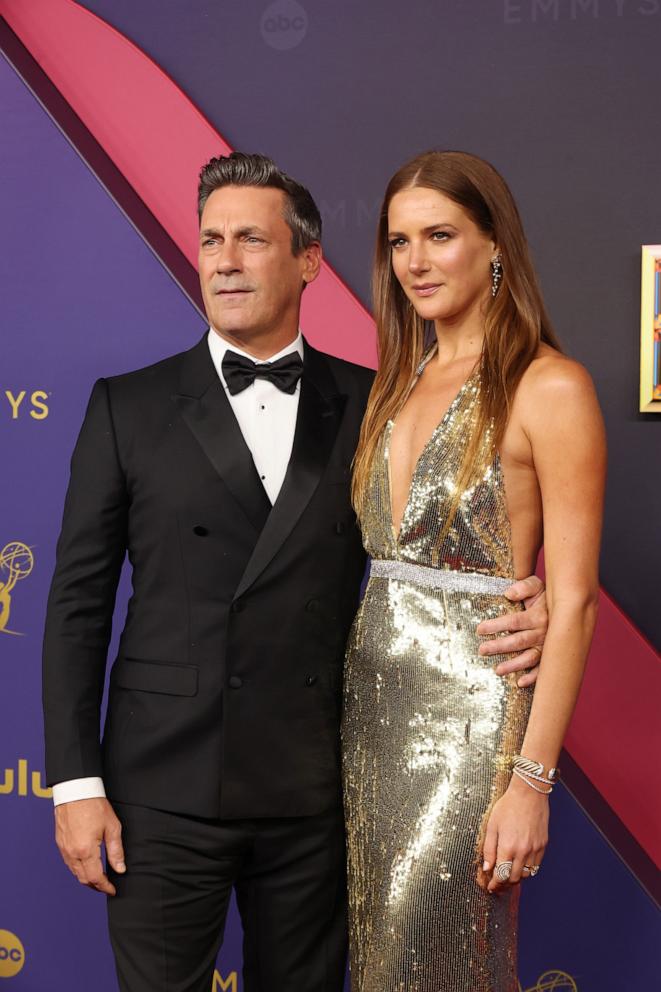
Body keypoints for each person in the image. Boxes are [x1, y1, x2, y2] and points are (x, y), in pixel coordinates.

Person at [43, 152, 548, 992]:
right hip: (157, 792)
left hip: (313, 792)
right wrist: (73, 783)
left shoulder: (377, 402)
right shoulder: (124, 406)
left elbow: (420, 552)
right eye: (210, 240)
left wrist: (513, 603)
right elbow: (74, 608)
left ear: (308, 260)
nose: (225, 260)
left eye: (250, 238)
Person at [342, 150, 606, 992]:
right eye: (398, 242)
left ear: (494, 244)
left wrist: (530, 782)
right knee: (385, 966)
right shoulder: (393, 382)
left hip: (471, 729)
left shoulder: (548, 386)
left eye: (440, 236)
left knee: (448, 963)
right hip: (369, 722)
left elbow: (571, 602)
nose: (414, 262)